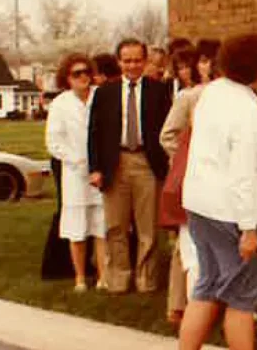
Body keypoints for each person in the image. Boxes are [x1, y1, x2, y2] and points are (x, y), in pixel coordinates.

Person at [169, 33, 257, 350]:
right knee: (242, 295)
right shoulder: (246, 110)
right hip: (235, 212)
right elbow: (242, 173)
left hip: (201, 205)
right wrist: (249, 229)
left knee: (206, 286)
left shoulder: (212, 94)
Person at [87, 39, 173, 294]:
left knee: (148, 228)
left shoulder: (158, 91)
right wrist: (95, 168)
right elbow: (94, 133)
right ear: (119, 62)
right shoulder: (105, 93)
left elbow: (168, 130)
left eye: (137, 60)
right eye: (127, 61)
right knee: (116, 226)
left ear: (145, 61)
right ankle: (119, 278)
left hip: (147, 163)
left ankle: (147, 280)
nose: (133, 65)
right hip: (116, 163)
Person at [46, 54, 108, 292]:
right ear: (67, 78)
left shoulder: (101, 97)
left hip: (101, 174)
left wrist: (99, 167)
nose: (83, 77)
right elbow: (54, 142)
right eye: (76, 74)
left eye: (86, 72)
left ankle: (103, 277)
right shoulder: (60, 104)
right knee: (77, 230)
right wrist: (78, 162)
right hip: (74, 174)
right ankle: (80, 278)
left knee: (101, 228)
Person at [160, 47, 206, 325]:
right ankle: (178, 305)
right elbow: (167, 135)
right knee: (186, 245)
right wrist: (187, 159)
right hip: (191, 177)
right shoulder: (189, 97)